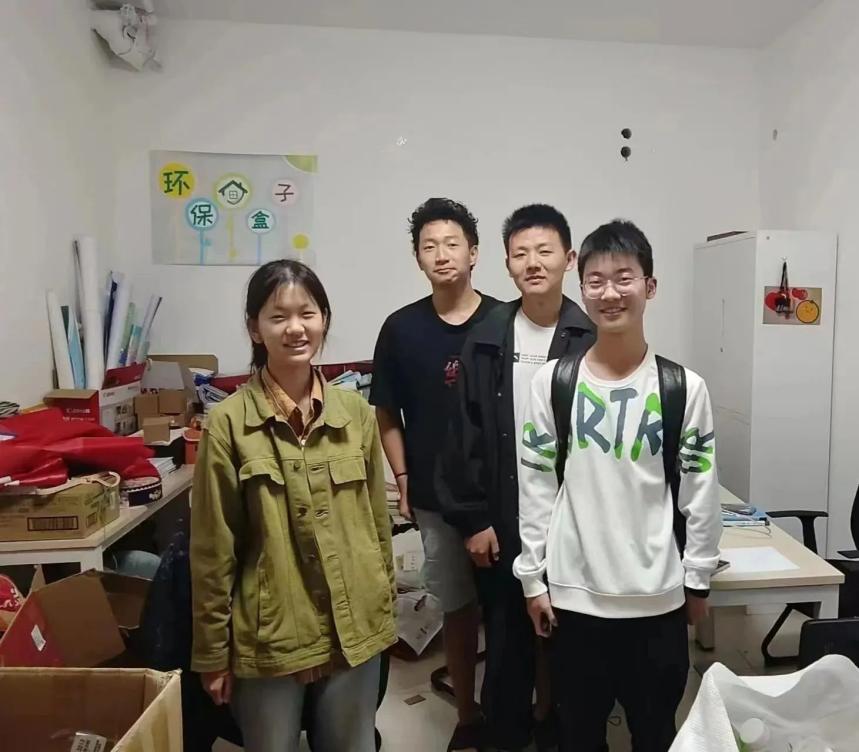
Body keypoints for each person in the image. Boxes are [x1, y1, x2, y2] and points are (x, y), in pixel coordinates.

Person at [513, 219, 722, 752]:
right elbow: (536, 487)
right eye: (596, 280)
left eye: (624, 278)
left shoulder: (683, 387)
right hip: (574, 597)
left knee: (655, 734)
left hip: (657, 599)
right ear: (582, 288)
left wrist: (697, 579)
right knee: (580, 736)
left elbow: (700, 492)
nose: (610, 293)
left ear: (649, 286)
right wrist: (533, 579)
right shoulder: (553, 383)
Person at [191, 260, 396, 752]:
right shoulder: (228, 423)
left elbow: (377, 523)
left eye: (307, 313)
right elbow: (213, 550)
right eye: (278, 317)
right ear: (254, 329)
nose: (295, 328)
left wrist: (384, 605)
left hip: (354, 620)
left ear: (324, 319)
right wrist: (213, 653)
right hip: (271, 631)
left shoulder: (355, 414)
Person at [439, 204, 595, 751]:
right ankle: (505, 734)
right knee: (506, 643)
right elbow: (463, 434)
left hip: (573, 520)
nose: (533, 263)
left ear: (568, 259)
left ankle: (559, 729)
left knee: (570, 642)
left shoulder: (589, 337)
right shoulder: (486, 336)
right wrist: (474, 519)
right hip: (503, 517)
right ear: (506, 263)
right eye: (520, 253)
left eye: (544, 251)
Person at [371, 197, 499, 750]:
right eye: (430, 246)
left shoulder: (505, 321)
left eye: (452, 244)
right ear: (417, 257)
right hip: (433, 496)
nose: (442, 255)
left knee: (512, 606)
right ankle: (468, 716)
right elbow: (386, 411)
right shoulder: (401, 329)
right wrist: (402, 480)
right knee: (457, 606)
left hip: (502, 495)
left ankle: (528, 711)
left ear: (474, 252)